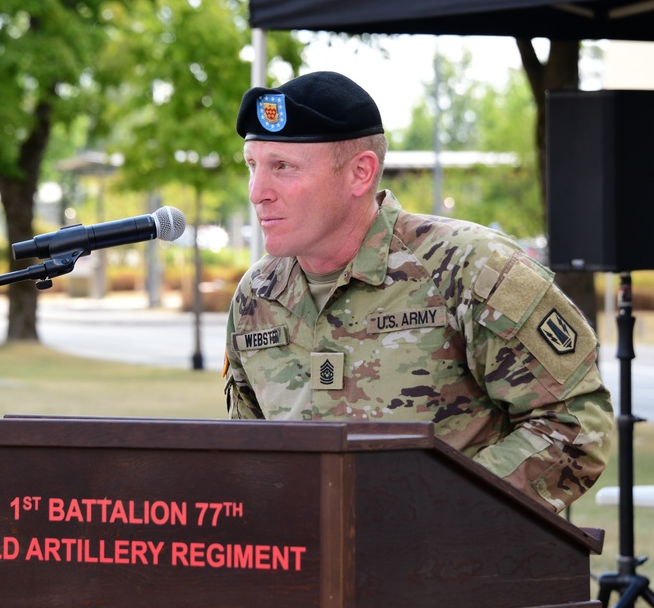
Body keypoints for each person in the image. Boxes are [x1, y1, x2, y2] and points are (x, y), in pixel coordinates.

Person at [224, 70, 614, 515]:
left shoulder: (468, 266)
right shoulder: (257, 295)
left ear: (359, 173)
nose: (258, 192)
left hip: (457, 572)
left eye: (283, 167)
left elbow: (577, 422)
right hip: (313, 572)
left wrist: (438, 514)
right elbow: (252, 451)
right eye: (252, 166)